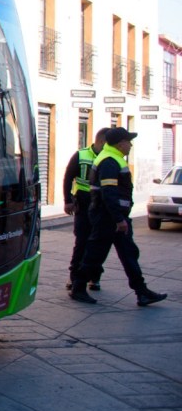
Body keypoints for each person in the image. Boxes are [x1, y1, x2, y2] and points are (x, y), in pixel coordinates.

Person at [70, 128, 167, 306]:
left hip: (113, 217)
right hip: (107, 217)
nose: (131, 145)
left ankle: (142, 292)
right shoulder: (109, 161)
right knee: (95, 254)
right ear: (120, 143)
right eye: (128, 141)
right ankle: (78, 287)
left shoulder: (113, 158)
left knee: (129, 254)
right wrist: (118, 219)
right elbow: (108, 193)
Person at [62, 127, 109, 292]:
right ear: (101, 141)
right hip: (83, 204)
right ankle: (74, 276)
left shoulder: (109, 158)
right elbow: (68, 177)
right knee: (81, 241)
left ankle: (94, 277)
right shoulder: (81, 155)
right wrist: (68, 201)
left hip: (101, 206)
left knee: (97, 243)